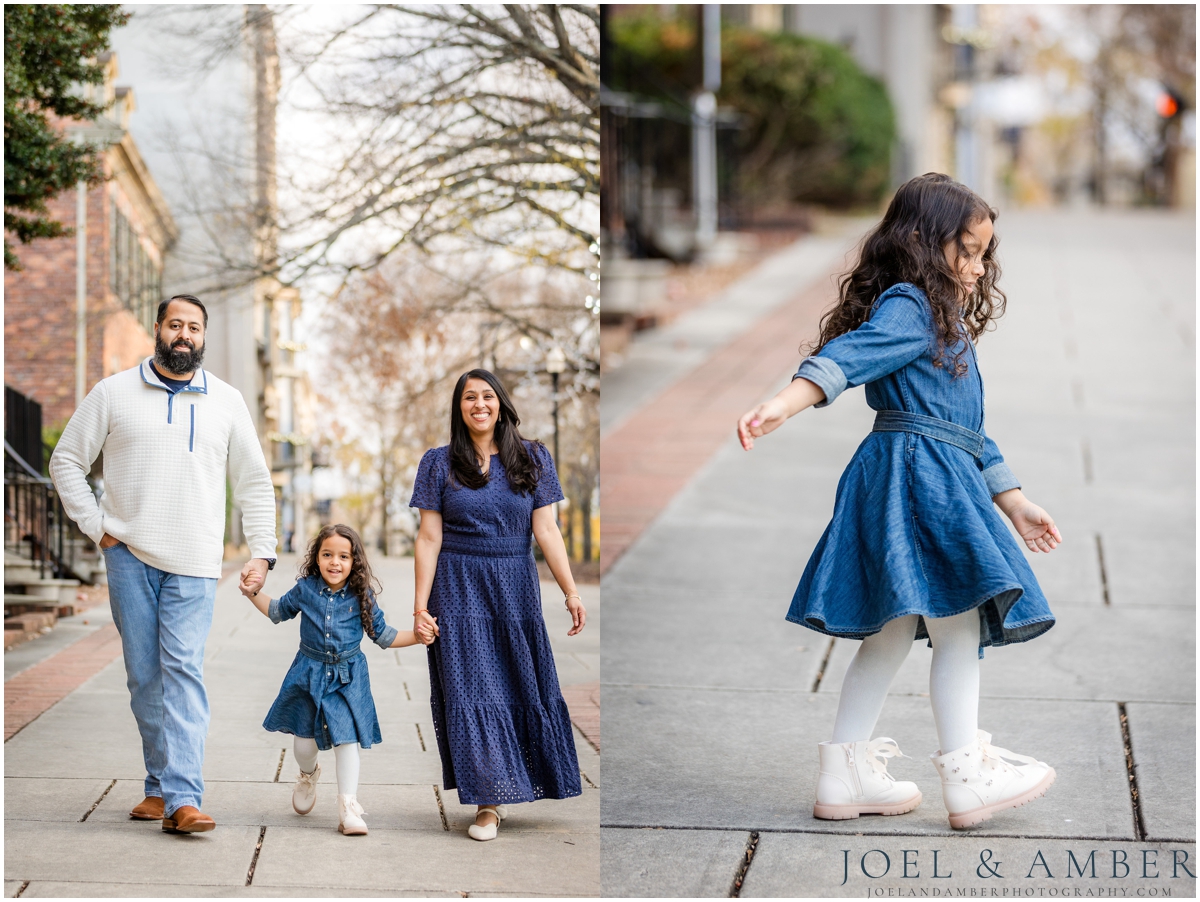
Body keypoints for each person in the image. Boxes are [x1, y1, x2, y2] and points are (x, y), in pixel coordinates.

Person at [736, 173, 1061, 831]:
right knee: (960, 627)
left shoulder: (935, 316)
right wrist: (783, 403)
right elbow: (845, 358)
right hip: (922, 482)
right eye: (964, 251)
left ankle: (846, 772)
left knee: (888, 635)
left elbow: (967, 427)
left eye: (981, 255)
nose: (974, 268)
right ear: (921, 241)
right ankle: (968, 776)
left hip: (925, 473)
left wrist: (1014, 500)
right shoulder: (911, 307)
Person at [49, 294, 277, 834]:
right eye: (175, 324)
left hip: (196, 562)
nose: (184, 335)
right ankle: (159, 784)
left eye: (193, 327)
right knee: (144, 677)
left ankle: (183, 797)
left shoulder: (227, 401)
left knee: (183, 672)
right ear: (157, 329)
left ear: (203, 337)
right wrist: (96, 526)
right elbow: (67, 460)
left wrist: (262, 551)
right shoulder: (113, 392)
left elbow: (254, 481)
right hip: (128, 556)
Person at [409, 368, 587, 841]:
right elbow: (429, 537)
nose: (479, 404)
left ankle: (516, 781)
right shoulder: (437, 463)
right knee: (471, 689)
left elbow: (547, 530)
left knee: (516, 681)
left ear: (501, 404)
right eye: (469, 398)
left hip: (514, 584)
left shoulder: (533, 458)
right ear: (459, 408)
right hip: (458, 585)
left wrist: (570, 591)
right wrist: (420, 606)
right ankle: (489, 802)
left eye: (487, 396)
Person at [240, 523, 433, 835]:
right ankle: (308, 774)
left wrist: (418, 637)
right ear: (317, 557)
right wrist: (253, 593)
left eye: (343, 556)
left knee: (347, 741)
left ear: (354, 561)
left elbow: (383, 635)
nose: (335, 562)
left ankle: (348, 806)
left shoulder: (362, 596)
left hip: (347, 678)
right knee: (304, 744)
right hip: (308, 674)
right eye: (327, 554)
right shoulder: (305, 589)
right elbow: (276, 611)